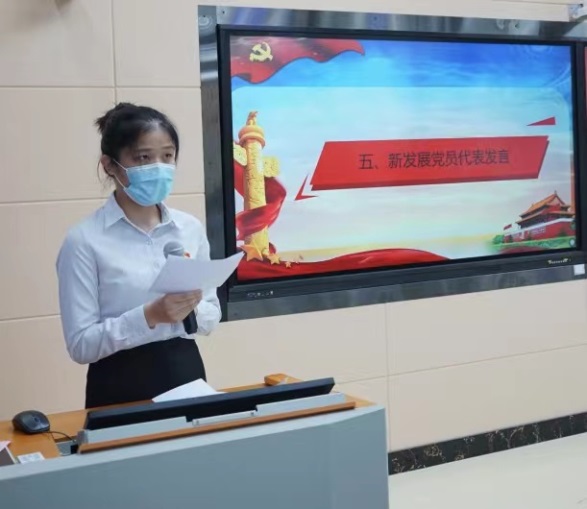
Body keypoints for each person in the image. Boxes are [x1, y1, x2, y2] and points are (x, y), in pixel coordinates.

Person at [56, 102, 221, 409]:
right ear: (110, 165)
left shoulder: (189, 228)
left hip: (187, 374)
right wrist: (150, 316)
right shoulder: (84, 241)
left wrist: (193, 310)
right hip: (119, 384)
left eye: (167, 156)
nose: (158, 167)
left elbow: (211, 314)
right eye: (143, 157)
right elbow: (80, 345)